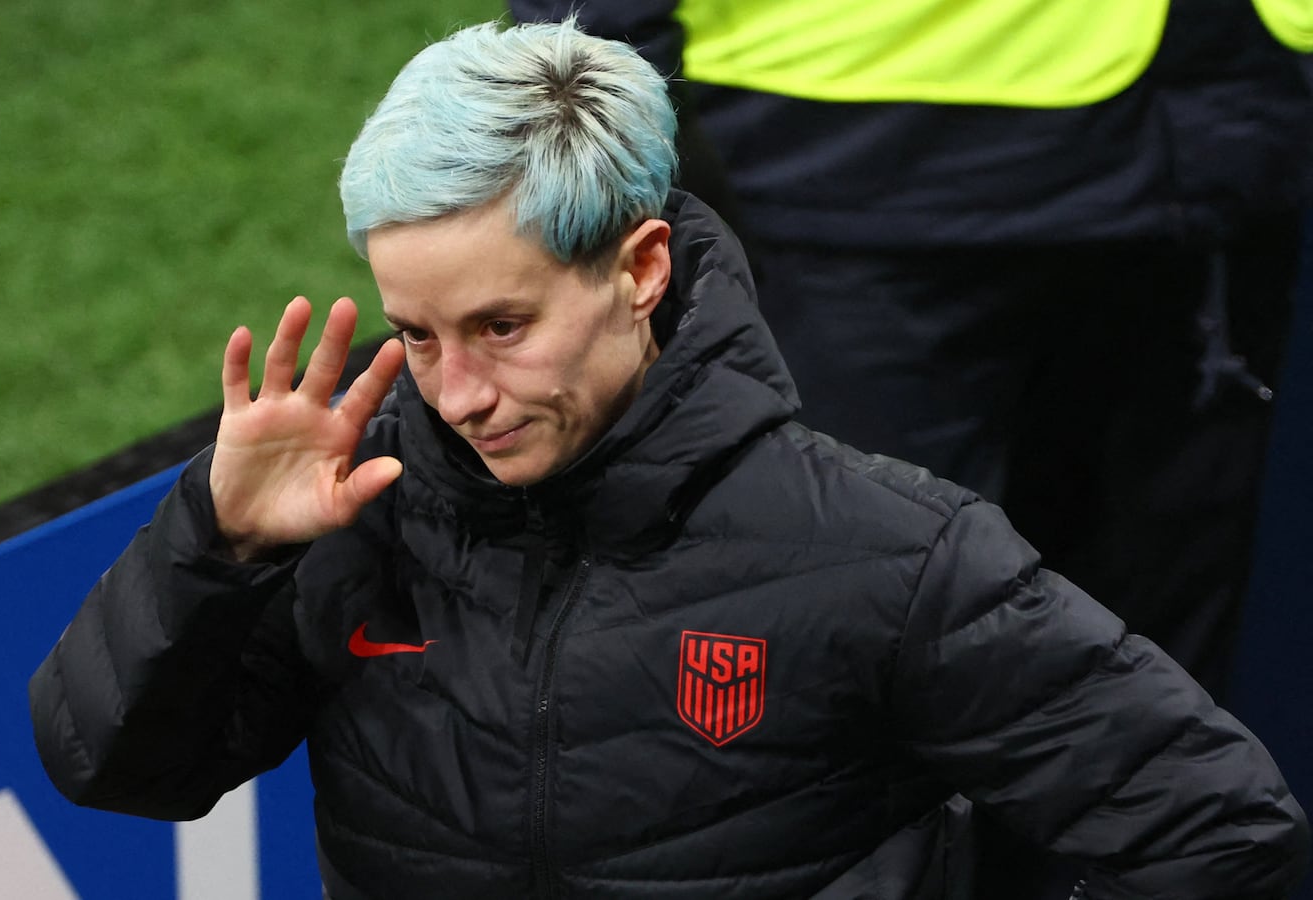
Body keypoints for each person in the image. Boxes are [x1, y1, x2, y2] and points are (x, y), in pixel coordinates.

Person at [28, 19, 1309, 899]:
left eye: (502, 327)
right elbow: (117, 770)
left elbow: (1217, 828)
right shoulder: (355, 517)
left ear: (640, 270)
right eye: (417, 335)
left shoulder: (884, 552)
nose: (457, 393)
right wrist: (217, 543)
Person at [507, 0, 1313, 703]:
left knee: (1166, 673)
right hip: (844, 164)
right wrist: (627, 122)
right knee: (837, 645)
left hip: (1223, 152)